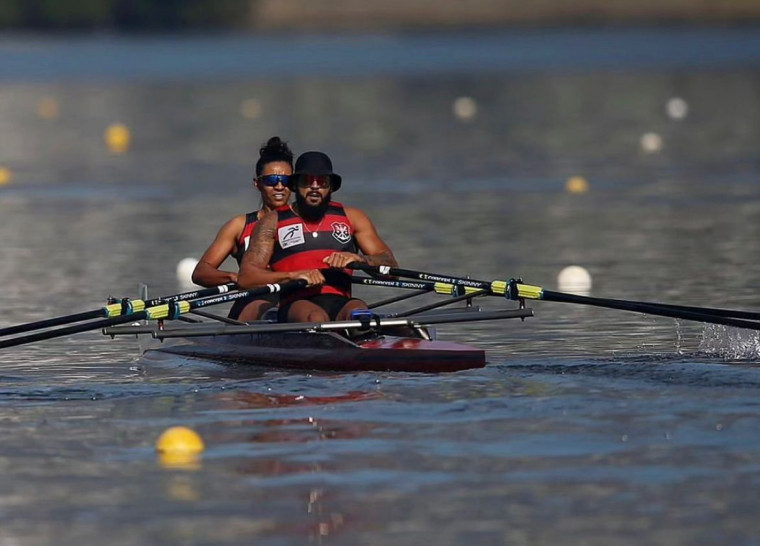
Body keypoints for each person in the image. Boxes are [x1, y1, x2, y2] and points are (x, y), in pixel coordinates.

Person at [237, 151, 397, 323]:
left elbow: (390, 266)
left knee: (358, 310)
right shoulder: (273, 221)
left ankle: (369, 337)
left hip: (341, 301)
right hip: (296, 304)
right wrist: (293, 276)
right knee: (316, 317)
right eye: (307, 181)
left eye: (321, 182)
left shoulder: (353, 218)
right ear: (296, 185)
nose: (314, 186)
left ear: (330, 187)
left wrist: (359, 259)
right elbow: (247, 277)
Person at [192, 136, 293, 321]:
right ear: (258, 184)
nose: (279, 186)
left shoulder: (305, 222)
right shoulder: (239, 226)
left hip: (294, 298)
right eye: (271, 180)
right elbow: (201, 273)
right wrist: (235, 277)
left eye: (286, 180)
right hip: (253, 299)